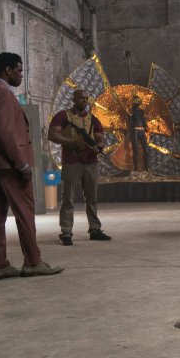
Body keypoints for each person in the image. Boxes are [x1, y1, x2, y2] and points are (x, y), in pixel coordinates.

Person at [0, 53, 63, 280]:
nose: (21, 75)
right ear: (8, 70)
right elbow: (6, 132)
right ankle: (33, 262)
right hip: (9, 166)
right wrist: (21, 163)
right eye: (19, 70)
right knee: (24, 214)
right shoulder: (3, 94)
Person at [47, 89, 111, 246]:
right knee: (68, 198)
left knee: (92, 198)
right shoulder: (63, 116)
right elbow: (52, 135)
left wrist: (99, 146)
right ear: (74, 99)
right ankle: (66, 232)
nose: (84, 101)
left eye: (86, 98)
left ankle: (95, 229)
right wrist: (73, 142)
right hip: (72, 161)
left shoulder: (93, 119)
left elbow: (100, 138)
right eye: (81, 98)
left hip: (91, 161)